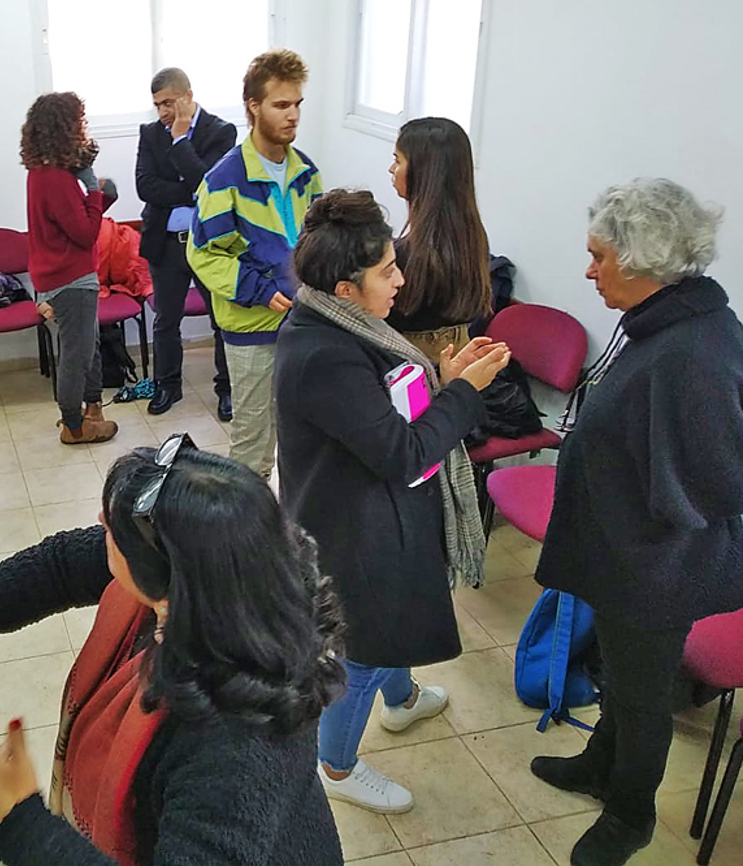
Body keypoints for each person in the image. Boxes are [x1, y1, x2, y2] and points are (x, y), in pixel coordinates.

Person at [0, 440, 347, 865]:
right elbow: (63, 564)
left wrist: (20, 822)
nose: (100, 522)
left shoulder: (238, 741)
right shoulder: (224, 579)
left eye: (111, 532)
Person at [529, 179, 743, 866]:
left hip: (657, 565)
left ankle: (629, 816)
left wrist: (645, 504)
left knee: (645, 696)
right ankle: (599, 765)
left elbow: (718, 478)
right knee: (620, 674)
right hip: (626, 550)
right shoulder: (663, 319)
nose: (588, 271)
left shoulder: (693, 351)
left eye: (598, 257)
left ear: (643, 259)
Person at [274, 190, 509, 813]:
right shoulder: (322, 352)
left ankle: (401, 701)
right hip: (350, 526)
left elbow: (391, 411)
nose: (401, 280)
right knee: (366, 645)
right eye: (387, 272)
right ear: (346, 289)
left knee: (398, 614)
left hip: (376, 507)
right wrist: (463, 393)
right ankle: (337, 765)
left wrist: (440, 378)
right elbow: (404, 452)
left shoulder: (343, 323)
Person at [188, 49, 323, 480]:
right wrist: (261, 289)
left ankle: (287, 536)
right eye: (281, 105)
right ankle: (243, 545)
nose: (293, 115)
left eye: (297, 104)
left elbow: (318, 246)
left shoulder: (308, 174)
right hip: (252, 330)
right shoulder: (224, 179)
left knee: (304, 438)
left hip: (303, 325)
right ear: (254, 107)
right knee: (252, 447)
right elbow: (205, 256)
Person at [134, 67, 236, 420]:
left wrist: (180, 142)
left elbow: (211, 185)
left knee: (221, 319)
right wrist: (189, 192)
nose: (162, 112)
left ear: (187, 97)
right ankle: (168, 385)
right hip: (165, 243)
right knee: (165, 320)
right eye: (157, 104)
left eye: (167, 103)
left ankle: (227, 389)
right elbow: (145, 187)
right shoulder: (149, 134)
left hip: (208, 244)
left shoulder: (221, 131)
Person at [21, 92, 119, 444]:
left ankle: (93, 409)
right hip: (71, 278)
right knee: (77, 355)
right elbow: (84, 232)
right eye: (79, 122)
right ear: (65, 127)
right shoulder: (55, 178)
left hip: (61, 275)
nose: (84, 128)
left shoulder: (42, 172)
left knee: (86, 346)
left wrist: (94, 197)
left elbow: (70, 220)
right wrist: (93, 189)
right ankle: (73, 426)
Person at [386, 117, 492, 363]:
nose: (392, 169)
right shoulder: (474, 240)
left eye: (397, 160)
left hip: (409, 369)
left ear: (423, 172)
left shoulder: (403, 256)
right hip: (460, 363)